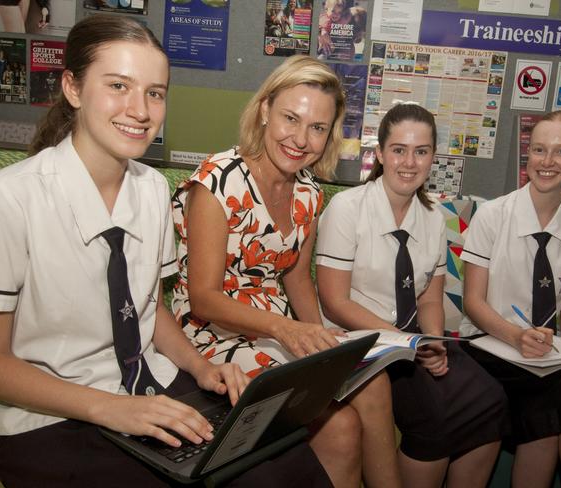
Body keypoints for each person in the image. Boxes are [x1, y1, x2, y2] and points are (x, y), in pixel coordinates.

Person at [0, 16, 331, 488]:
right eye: (119, 85)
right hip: (50, 419)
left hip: (149, 383)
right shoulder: (6, 198)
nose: (139, 109)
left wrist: (204, 368)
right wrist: (115, 408)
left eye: (155, 92)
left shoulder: (153, 188)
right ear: (72, 88)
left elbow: (147, 309)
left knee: (286, 464)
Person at [172, 54, 402, 488]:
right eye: (290, 119)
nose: (301, 139)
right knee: (342, 426)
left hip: (276, 327)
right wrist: (286, 330)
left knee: (375, 383)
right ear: (264, 111)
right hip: (211, 333)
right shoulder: (216, 182)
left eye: (317, 128)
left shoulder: (310, 192)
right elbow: (203, 297)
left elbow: (296, 277)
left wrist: (323, 345)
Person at [316, 102, 509, 488]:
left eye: (421, 152)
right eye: (399, 150)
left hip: (415, 338)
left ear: (432, 158)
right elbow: (335, 302)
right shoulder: (348, 208)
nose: (409, 162)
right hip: (362, 343)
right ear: (381, 154)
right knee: (432, 413)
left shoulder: (434, 219)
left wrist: (433, 342)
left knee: (491, 399)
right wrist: (409, 342)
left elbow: (431, 300)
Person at [460, 110, 561, 488]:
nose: (547, 161)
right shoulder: (493, 216)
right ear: (528, 154)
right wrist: (515, 336)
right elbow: (473, 303)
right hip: (489, 345)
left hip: (544, 351)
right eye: (539, 150)